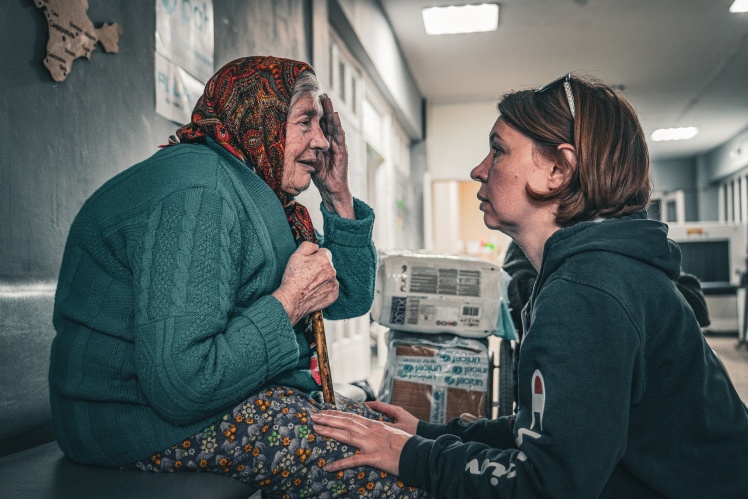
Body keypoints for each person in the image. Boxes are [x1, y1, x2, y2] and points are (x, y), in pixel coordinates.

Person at [311, 74, 748, 497]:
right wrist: (427, 432)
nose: (478, 170)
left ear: (557, 170)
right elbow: (551, 427)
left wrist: (411, 455)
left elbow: (547, 485)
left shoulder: (588, 292)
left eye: (497, 151)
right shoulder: (590, 273)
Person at [50, 56, 426, 497]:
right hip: (131, 420)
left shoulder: (255, 189)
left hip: (213, 398)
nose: (322, 141)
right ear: (256, 116)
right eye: (306, 121)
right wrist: (289, 302)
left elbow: (348, 296)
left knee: (399, 442)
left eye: (322, 125)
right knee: (391, 475)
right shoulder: (199, 193)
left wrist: (338, 196)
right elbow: (182, 383)